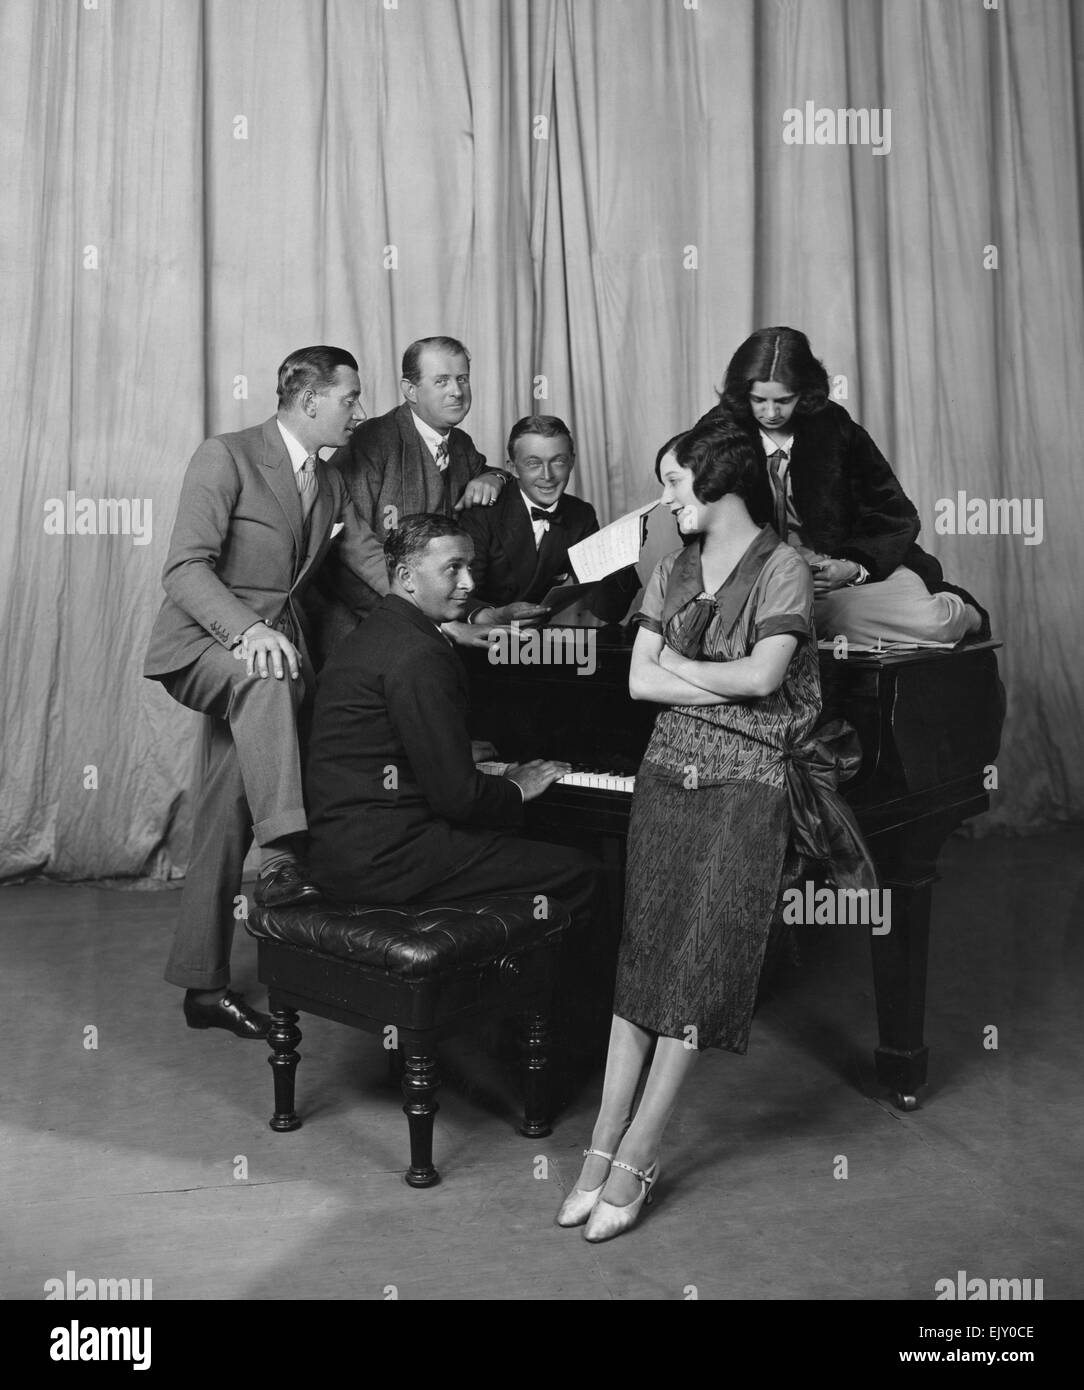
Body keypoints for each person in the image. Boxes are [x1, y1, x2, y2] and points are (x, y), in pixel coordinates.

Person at [557, 420, 825, 1242]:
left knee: (698, 966)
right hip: (669, 772)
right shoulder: (671, 566)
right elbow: (639, 684)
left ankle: (640, 1149)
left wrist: (683, 671)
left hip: (748, 781)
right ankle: (600, 1143)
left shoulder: (784, 568)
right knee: (644, 956)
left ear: (720, 483)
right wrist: (710, 681)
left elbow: (765, 676)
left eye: (675, 483)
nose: (665, 499)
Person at [144, 346, 388, 1038]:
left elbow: (365, 564)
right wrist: (248, 632)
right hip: (207, 647)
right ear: (309, 399)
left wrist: (452, 615)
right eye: (350, 398)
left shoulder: (332, 482)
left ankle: (201, 986)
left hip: (276, 667)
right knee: (266, 677)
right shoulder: (225, 457)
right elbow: (184, 569)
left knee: (225, 808)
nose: (358, 412)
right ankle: (283, 856)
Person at [305, 514, 599, 921]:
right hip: (390, 860)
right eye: (453, 569)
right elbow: (458, 798)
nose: (470, 585)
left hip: (344, 849)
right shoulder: (420, 654)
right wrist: (516, 786)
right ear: (407, 576)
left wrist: (454, 751)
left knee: (520, 841)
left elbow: (382, 743)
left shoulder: (377, 634)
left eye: (469, 567)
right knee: (580, 869)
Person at [697, 327, 987, 645]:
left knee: (934, 622)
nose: (771, 413)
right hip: (761, 584)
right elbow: (699, 524)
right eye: (758, 400)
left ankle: (958, 613)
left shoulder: (833, 425)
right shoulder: (717, 434)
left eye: (784, 401)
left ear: (804, 392)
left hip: (845, 577)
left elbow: (892, 513)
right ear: (743, 391)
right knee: (785, 622)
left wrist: (850, 567)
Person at [310, 336, 538, 657]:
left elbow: (495, 470)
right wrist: (435, 625)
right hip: (360, 623)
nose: (456, 391)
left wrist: (494, 476)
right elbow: (349, 555)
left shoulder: (460, 445)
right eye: (441, 381)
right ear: (410, 390)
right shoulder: (370, 442)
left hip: (432, 621)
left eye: (462, 379)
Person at [456, 415, 599, 606]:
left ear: (571, 463)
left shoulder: (582, 515)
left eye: (558, 461)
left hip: (540, 631)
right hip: (486, 629)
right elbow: (464, 596)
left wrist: (623, 553)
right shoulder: (482, 514)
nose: (547, 476)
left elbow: (606, 610)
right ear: (513, 468)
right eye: (534, 463)